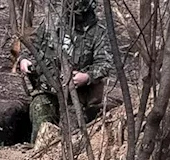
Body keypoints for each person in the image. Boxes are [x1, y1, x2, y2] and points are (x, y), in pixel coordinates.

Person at [16, 0, 114, 143]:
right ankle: (37, 155)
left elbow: (105, 63)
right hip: (47, 90)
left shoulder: (97, 32)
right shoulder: (52, 23)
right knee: (40, 109)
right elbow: (32, 46)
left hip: (76, 97)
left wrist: (86, 77)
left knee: (73, 130)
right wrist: (24, 60)